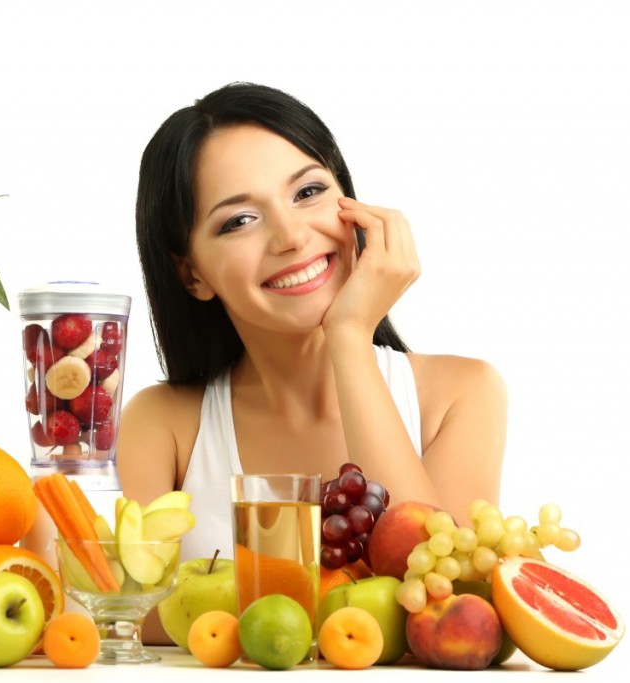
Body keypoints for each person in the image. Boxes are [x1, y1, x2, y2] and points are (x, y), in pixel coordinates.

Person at [118, 81, 507, 570]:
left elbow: (436, 589)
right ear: (192, 274)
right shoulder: (163, 424)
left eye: (309, 191)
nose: (292, 236)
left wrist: (349, 338)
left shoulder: (461, 393)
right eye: (239, 220)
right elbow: (122, 608)